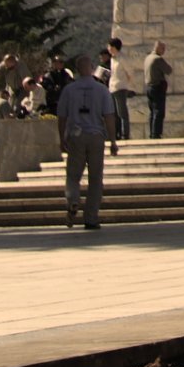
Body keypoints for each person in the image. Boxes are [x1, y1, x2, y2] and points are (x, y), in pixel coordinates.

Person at [57, 53, 117, 230]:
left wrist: (62, 138)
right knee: (95, 178)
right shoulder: (102, 90)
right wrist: (113, 140)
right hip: (96, 135)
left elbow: (62, 116)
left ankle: (73, 200)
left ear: (77, 70)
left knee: (73, 175)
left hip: (76, 136)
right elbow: (109, 116)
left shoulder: (69, 90)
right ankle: (91, 218)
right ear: (91, 68)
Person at [107, 37, 134, 141]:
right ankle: (116, 134)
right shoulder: (112, 59)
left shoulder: (122, 58)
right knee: (114, 113)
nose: (108, 48)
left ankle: (125, 134)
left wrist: (127, 83)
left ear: (114, 47)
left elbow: (130, 72)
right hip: (112, 88)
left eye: (109, 46)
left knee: (122, 112)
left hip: (121, 87)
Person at [144, 40, 171, 138]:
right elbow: (168, 70)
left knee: (152, 111)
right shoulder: (158, 59)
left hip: (149, 87)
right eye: (163, 48)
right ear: (158, 48)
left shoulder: (147, 58)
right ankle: (156, 133)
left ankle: (152, 133)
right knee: (159, 111)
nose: (164, 51)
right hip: (157, 87)